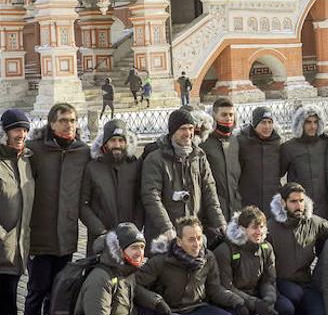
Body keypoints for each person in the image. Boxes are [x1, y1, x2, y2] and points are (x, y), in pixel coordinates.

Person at [23, 103, 90, 315]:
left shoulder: (82, 152)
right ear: (51, 123)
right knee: (37, 289)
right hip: (39, 233)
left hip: (66, 234)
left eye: (72, 120)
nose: (68, 125)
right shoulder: (36, 151)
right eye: (62, 120)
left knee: (58, 289)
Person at [137, 217, 244, 315]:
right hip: (171, 311)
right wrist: (156, 301)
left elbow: (214, 288)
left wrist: (236, 300)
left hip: (197, 307)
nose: (197, 244)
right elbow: (135, 284)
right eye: (191, 239)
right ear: (179, 242)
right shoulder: (161, 261)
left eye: (199, 238)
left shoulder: (208, 257)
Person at [141, 108, 226, 249]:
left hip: (193, 234)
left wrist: (220, 222)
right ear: (173, 131)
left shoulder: (199, 156)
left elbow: (209, 191)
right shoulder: (156, 159)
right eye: (182, 129)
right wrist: (167, 228)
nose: (188, 133)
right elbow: (151, 196)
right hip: (166, 234)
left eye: (191, 128)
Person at [214, 206, 294, 315]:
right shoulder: (225, 251)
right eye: (254, 228)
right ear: (242, 229)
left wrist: (269, 298)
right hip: (232, 298)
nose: (259, 232)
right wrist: (254, 303)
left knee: (285, 308)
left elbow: (268, 279)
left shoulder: (266, 248)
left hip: (255, 293)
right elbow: (226, 286)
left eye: (262, 227)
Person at [266, 183, 328, 315]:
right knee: (293, 295)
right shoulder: (271, 227)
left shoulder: (313, 222)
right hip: (279, 283)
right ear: (283, 203)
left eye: (301, 201)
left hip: (303, 281)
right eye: (293, 201)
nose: (299, 206)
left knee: (320, 313)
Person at [0, 109, 35, 315]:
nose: (20, 134)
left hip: (17, 247)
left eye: (23, 130)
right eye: (15, 129)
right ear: (5, 132)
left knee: (9, 303)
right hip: (2, 245)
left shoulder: (25, 161)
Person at [80, 119, 143, 255]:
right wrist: (101, 231)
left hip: (129, 240)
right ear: (105, 143)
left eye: (121, 141)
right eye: (113, 140)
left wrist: (134, 229)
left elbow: (141, 200)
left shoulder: (134, 165)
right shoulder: (92, 168)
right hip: (100, 238)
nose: (117, 145)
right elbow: (83, 205)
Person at [280, 105, 328, 220]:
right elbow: (277, 174)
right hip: (299, 208)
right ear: (300, 124)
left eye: (315, 122)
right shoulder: (289, 148)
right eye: (308, 122)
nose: (312, 126)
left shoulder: (325, 143)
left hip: (324, 206)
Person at [199, 98, 242, 221]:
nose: (228, 118)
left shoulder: (236, 141)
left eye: (231, 115)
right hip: (212, 210)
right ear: (214, 117)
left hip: (235, 208)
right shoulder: (204, 143)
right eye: (224, 115)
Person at [238, 106, 282, 216]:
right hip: (249, 202)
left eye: (269, 122)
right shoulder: (242, 142)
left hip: (272, 204)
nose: (267, 126)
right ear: (254, 124)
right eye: (263, 122)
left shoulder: (277, 143)